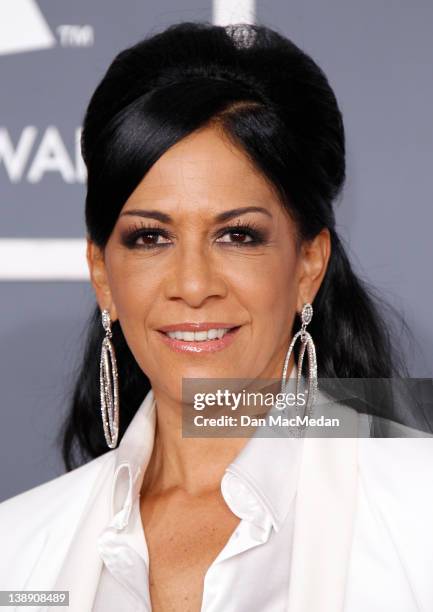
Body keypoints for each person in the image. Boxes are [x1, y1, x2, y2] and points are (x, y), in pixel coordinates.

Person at [1, 21, 432, 612]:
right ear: (102, 272)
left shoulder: (419, 511)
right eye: (151, 238)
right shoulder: (17, 551)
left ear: (308, 264)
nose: (194, 285)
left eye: (237, 235)